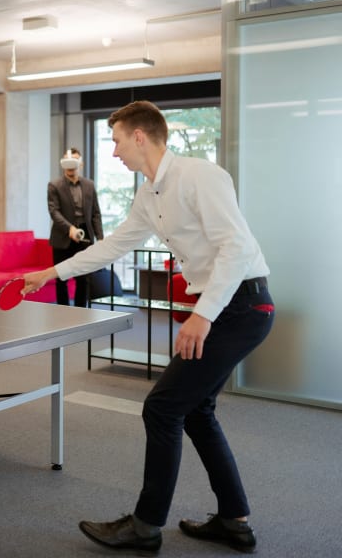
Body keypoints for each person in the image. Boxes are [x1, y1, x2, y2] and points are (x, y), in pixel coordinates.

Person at [23, 101, 274, 554]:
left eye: (117, 140)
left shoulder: (200, 176)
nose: (114, 151)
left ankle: (145, 526)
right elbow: (114, 246)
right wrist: (51, 273)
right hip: (225, 306)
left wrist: (202, 315)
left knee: (161, 408)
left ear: (140, 136)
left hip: (242, 307)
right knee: (195, 411)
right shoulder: (148, 195)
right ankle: (234, 520)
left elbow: (236, 248)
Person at [47, 147, 103, 306]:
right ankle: (63, 313)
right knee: (61, 278)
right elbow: (54, 211)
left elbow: (95, 213)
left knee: (83, 278)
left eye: (74, 161)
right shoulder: (54, 185)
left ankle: (80, 313)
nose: (70, 165)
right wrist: (70, 229)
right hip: (62, 236)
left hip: (85, 235)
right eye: (67, 161)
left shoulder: (89, 185)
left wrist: (100, 238)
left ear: (81, 164)